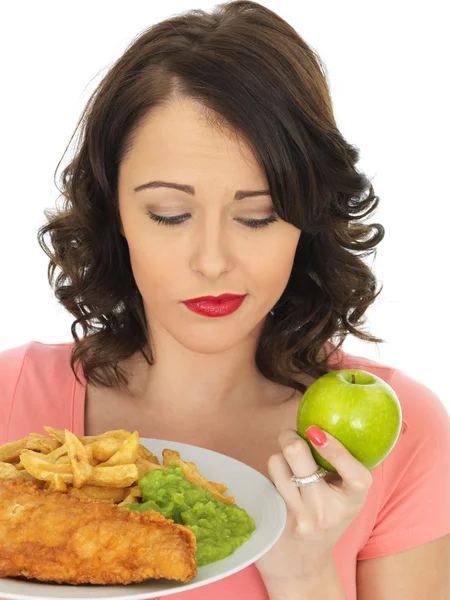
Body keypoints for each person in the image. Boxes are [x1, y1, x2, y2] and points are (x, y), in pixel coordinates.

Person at [1, 1, 449, 598]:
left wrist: (305, 572)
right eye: (170, 213)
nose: (211, 261)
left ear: (307, 220)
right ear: (117, 215)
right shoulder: (10, 398)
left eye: (257, 216)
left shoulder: (404, 432)